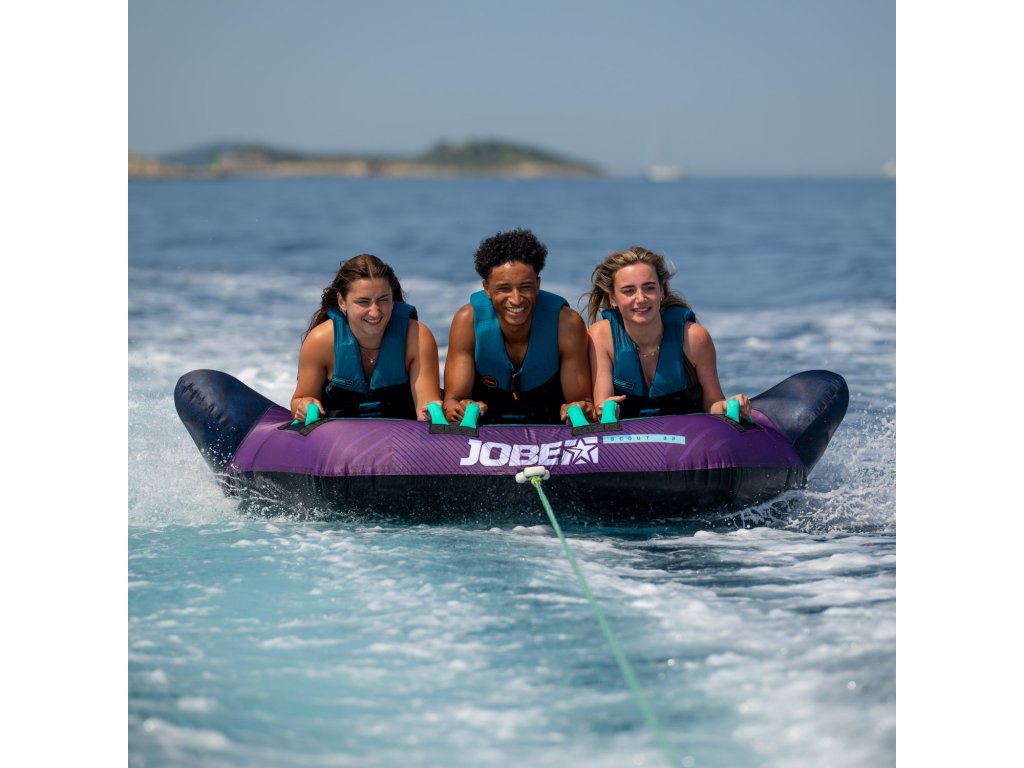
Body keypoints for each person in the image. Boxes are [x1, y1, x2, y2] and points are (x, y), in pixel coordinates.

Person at [443, 228, 595, 424]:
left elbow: (583, 403)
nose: (516, 299)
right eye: (504, 289)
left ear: (538, 284)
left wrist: (581, 408)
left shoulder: (567, 324)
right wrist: (458, 409)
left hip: (550, 425)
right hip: (486, 425)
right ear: (487, 288)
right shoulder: (467, 321)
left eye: (525, 287)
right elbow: (452, 400)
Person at [584, 246, 751, 421]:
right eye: (629, 291)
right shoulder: (601, 337)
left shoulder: (694, 338)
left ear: (661, 291)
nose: (641, 298)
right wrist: (603, 409)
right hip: (628, 437)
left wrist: (727, 406)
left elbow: (712, 402)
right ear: (612, 298)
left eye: (649, 288)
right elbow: (601, 405)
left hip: (688, 434)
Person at [290, 254, 441, 422]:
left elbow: (425, 406)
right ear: (342, 301)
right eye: (363, 302)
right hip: (338, 435)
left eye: (383, 299)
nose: (375, 312)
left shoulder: (417, 337)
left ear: (392, 298)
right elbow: (300, 399)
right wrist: (304, 405)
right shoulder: (321, 341)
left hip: (400, 435)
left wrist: (429, 411)